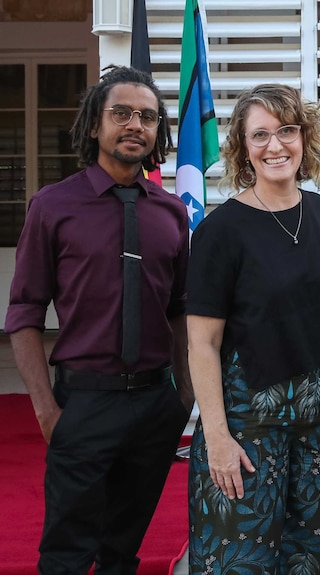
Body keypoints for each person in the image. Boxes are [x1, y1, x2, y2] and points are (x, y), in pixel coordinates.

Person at [4, 65, 193, 573]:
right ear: (94, 125)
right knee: (66, 554)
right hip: (84, 403)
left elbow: (179, 310)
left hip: (156, 406)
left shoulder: (172, 214)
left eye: (148, 117)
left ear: (158, 132)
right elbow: (23, 313)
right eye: (122, 113)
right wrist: (45, 410)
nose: (136, 125)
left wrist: (185, 396)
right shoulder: (53, 206)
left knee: (122, 552)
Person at [186, 83, 320, 575]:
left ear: (304, 138)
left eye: (286, 131)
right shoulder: (219, 232)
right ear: (243, 149)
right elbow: (202, 343)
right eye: (260, 134)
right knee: (241, 560)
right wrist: (218, 438)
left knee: (317, 559)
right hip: (248, 430)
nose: (275, 145)